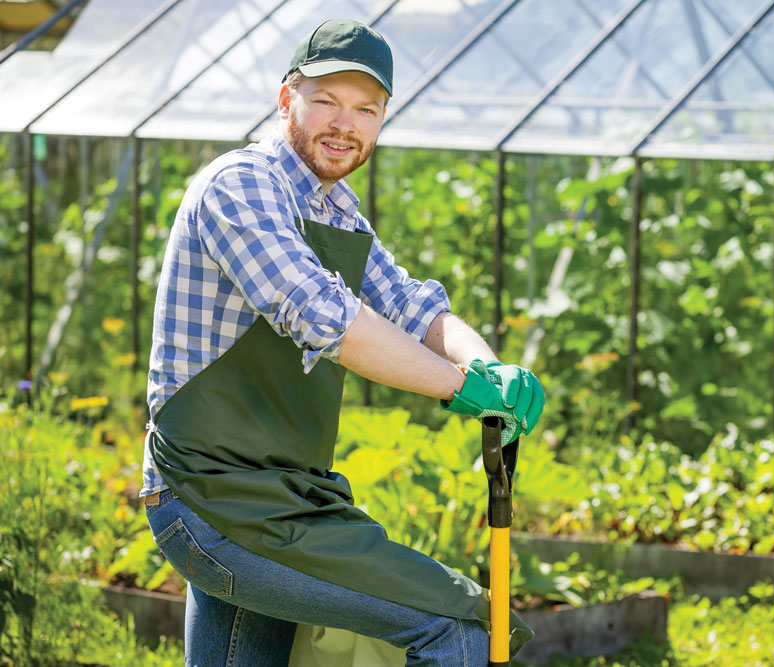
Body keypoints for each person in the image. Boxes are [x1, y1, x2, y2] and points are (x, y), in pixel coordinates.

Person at [140, 18, 543, 666]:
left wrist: (488, 367)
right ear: (285, 99)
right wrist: (458, 386)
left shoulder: (338, 210)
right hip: (214, 496)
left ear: (382, 120)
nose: (343, 123)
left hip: (287, 494)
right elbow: (322, 314)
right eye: (326, 100)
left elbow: (412, 305)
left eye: (366, 109)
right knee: (465, 627)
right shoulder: (240, 186)